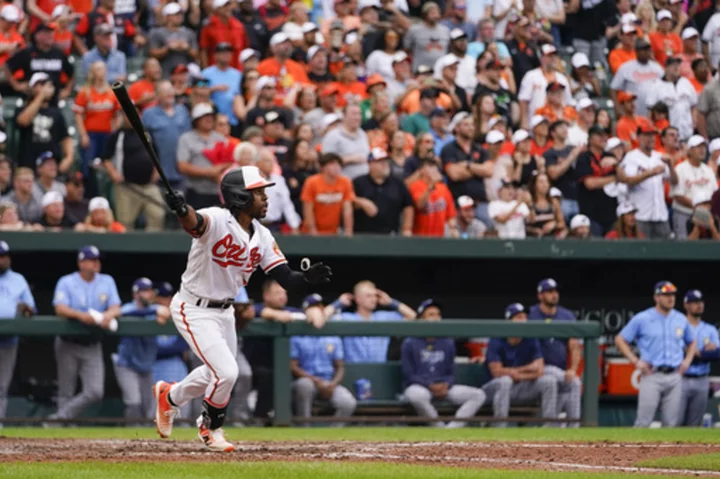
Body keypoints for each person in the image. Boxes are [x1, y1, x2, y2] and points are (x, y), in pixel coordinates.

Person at [154, 165, 332, 451]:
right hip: (194, 306)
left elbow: (285, 277)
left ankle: (170, 396)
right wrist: (181, 208)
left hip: (225, 311)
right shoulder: (218, 217)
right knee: (227, 372)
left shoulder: (261, 235)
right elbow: (194, 223)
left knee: (221, 372)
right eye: (258, 192)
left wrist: (306, 279)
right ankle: (210, 427)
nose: (265, 198)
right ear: (239, 196)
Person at [50, 246, 121, 423]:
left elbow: (116, 307)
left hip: (92, 343)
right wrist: (81, 316)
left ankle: (59, 418)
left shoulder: (106, 281)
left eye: (98, 260)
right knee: (66, 390)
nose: (97, 263)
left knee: (95, 391)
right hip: (68, 342)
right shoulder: (66, 282)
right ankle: (60, 429)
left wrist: (107, 316)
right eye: (92, 260)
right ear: (81, 263)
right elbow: (60, 308)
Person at [615, 281, 696, 428]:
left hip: (675, 375)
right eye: (666, 295)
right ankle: (634, 451)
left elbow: (692, 342)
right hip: (652, 374)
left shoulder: (681, 319)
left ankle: (667, 452)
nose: (670, 298)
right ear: (656, 297)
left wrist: (687, 361)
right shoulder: (643, 318)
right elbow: (620, 339)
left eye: (672, 294)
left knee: (671, 424)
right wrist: (635, 361)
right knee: (643, 422)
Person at [402, 299, 487, 428]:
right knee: (415, 395)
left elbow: (451, 372)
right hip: (421, 387)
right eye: (431, 315)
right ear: (421, 319)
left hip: (445, 388)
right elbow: (409, 374)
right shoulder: (410, 342)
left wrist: (446, 384)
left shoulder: (447, 342)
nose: (436, 318)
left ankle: (452, 429)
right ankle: (438, 427)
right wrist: (429, 385)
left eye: (438, 314)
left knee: (478, 395)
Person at [482, 303, 558, 428]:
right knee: (504, 381)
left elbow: (539, 370)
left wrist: (516, 373)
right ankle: (500, 427)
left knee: (549, 381)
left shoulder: (531, 339)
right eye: (518, 317)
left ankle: (549, 427)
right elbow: (496, 372)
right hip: (493, 389)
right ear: (509, 321)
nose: (523, 320)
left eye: (524, 317)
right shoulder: (497, 339)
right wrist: (527, 369)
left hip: (521, 387)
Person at [291, 294, 356, 427]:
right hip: (308, 380)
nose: (317, 311)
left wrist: (332, 384)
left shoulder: (332, 334)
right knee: (305, 385)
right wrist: (316, 381)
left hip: (329, 382)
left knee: (348, 402)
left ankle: (332, 434)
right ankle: (304, 428)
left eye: (320, 307)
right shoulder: (298, 334)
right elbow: (293, 366)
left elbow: (340, 366)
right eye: (313, 308)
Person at [114, 278, 171, 422]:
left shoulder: (156, 311)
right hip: (127, 364)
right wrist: (155, 310)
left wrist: (157, 312)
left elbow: (167, 313)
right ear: (136, 294)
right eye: (144, 291)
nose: (149, 294)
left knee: (149, 408)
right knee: (134, 403)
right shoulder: (129, 308)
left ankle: (146, 440)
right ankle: (130, 435)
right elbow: (122, 313)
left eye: (150, 291)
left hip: (146, 365)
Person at [528, 278, 581, 428]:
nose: (554, 295)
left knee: (574, 382)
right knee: (555, 380)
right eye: (549, 292)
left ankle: (573, 429)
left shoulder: (567, 316)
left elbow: (574, 346)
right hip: (536, 368)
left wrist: (572, 369)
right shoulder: (531, 314)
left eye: (555, 291)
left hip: (559, 369)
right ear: (540, 295)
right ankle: (551, 426)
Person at [102, 108, 166, 231]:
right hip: (127, 186)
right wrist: (113, 173)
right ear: (122, 117)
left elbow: (156, 155)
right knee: (125, 222)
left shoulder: (147, 133)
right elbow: (105, 158)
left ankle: (154, 247)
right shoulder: (118, 135)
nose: (130, 118)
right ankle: (127, 249)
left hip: (149, 185)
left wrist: (156, 172)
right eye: (127, 115)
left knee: (158, 214)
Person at [325, 280, 416, 364]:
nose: (373, 299)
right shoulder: (346, 318)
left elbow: (414, 317)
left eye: (375, 295)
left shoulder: (384, 317)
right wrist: (338, 303)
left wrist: (391, 302)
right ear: (357, 299)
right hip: (354, 373)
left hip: (379, 373)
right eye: (368, 296)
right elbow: (321, 318)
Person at [617, 124, 677, 239]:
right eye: (647, 135)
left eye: (653, 135)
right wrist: (651, 172)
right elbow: (629, 181)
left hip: (660, 214)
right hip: (640, 215)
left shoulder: (659, 156)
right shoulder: (631, 157)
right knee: (642, 253)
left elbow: (674, 182)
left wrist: (670, 165)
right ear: (638, 137)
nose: (651, 138)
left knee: (665, 253)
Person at [0, 241, 35, 423]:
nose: (1, 260)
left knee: (1, 385)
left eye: (4, 256)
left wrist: (25, 309)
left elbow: (31, 310)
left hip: (8, 340)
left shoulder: (18, 279)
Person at [14, 73, 73, 173]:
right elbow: (23, 121)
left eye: (48, 85)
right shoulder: (22, 108)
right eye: (41, 84)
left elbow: (65, 137)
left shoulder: (56, 112)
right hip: (29, 164)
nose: (46, 88)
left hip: (51, 164)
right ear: (32, 88)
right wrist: (40, 96)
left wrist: (69, 157)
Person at [142, 81, 193, 192]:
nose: (169, 94)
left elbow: (190, 138)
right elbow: (144, 144)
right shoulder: (148, 114)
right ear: (157, 95)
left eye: (170, 90)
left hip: (183, 172)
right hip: (159, 173)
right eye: (165, 91)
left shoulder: (182, 110)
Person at [679, 290, 720, 426]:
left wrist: (695, 353)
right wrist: (702, 352)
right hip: (681, 379)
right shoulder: (679, 326)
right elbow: (677, 353)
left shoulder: (710, 329)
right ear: (686, 305)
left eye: (701, 302)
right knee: (675, 422)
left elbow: (716, 354)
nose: (699, 305)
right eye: (695, 302)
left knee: (694, 425)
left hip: (702, 379)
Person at [176, 103, 227, 209]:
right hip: (195, 192)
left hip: (218, 192)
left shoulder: (221, 138)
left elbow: (229, 161)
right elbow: (182, 166)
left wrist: (219, 170)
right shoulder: (186, 138)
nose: (209, 119)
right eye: (205, 117)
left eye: (211, 116)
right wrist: (208, 172)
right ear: (196, 120)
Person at [353, 148, 413, 235]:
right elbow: (347, 199)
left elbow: (408, 205)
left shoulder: (397, 183)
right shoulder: (359, 182)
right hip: (363, 234)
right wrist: (361, 202)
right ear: (370, 164)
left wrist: (407, 228)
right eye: (380, 162)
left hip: (390, 234)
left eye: (386, 161)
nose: (384, 164)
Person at [670, 135, 717, 240]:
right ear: (690, 151)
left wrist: (704, 209)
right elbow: (677, 195)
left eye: (703, 147)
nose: (702, 150)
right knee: (683, 249)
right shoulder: (680, 168)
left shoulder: (708, 170)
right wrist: (698, 207)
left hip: (706, 214)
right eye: (698, 147)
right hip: (685, 213)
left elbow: (714, 193)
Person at [575, 126, 619, 236]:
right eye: (599, 135)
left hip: (612, 213)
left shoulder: (611, 156)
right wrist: (614, 178)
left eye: (605, 135)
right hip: (591, 215)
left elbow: (624, 177)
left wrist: (617, 163)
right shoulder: (584, 158)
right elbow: (590, 183)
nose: (603, 138)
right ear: (590, 139)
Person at [300, 153, 355, 236]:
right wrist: (313, 231)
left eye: (338, 164)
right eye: (332, 164)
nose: (336, 167)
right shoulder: (312, 182)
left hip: (333, 232)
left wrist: (348, 231)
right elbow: (308, 209)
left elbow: (347, 209)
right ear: (323, 167)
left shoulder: (345, 182)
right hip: (310, 232)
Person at [644, 56, 697, 141]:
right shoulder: (656, 86)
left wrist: (694, 121)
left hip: (687, 133)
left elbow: (694, 105)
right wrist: (657, 130)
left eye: (678, 64)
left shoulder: (686, 82)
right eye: (673, 65)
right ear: (665, 68)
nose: (676, 67)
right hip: (667, 136)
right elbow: (650, 113)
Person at [610, 38, 663, 119]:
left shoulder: (657, 67)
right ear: (637, 51)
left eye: (648, 49)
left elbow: (666, 85)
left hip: (654, 115)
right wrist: (617, 109)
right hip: (634, 114)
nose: (646, 52)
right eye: (643, 49)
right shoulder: (626, 67)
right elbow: (613, 88)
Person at [408, 158, 459, 237]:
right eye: (430, 166)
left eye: (434, 166)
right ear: (422, 171)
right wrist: (431, 185)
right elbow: (420, 205)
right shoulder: (415, 186)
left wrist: (453, 229)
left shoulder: (443, 188)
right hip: (420, 238)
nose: (434, 169)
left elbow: (450, 215)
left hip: (439, 238)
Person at [148, 3, 199, 78]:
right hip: (166, 73)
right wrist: (167, 48)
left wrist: (187, 48)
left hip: (185, 74)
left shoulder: (189, 33)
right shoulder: (157, 33)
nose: (179, 17)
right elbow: (152, 54)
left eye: (180, 14)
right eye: (175, 14)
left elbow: (197, 55)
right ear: (167, 16)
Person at [321, 104, 371, 180]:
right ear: (344, 116)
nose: (357, 117)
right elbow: (326, 162)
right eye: (354, 114)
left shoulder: (363, 134)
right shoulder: (332, 136)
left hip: (364, 183)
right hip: (343, 184)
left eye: (359, 114)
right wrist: (350, 159)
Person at [199, 0, 248, 69]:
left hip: (236, 69)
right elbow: (204, 50)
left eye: (229, 5)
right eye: (224, 6)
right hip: (216, 70)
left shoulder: (239, 25)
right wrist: (206, 70)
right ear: (217, 9)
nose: (228, 8)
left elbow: (244, 48)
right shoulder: (209, 26)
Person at [404, 2, 450, 73]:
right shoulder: (414, 30)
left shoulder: (445, 31)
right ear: (425, 14)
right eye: (432, 12)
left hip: (440, 71)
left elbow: (449, 50)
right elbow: (406, 49)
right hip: (420, 70)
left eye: (437, 12)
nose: (435, 14)